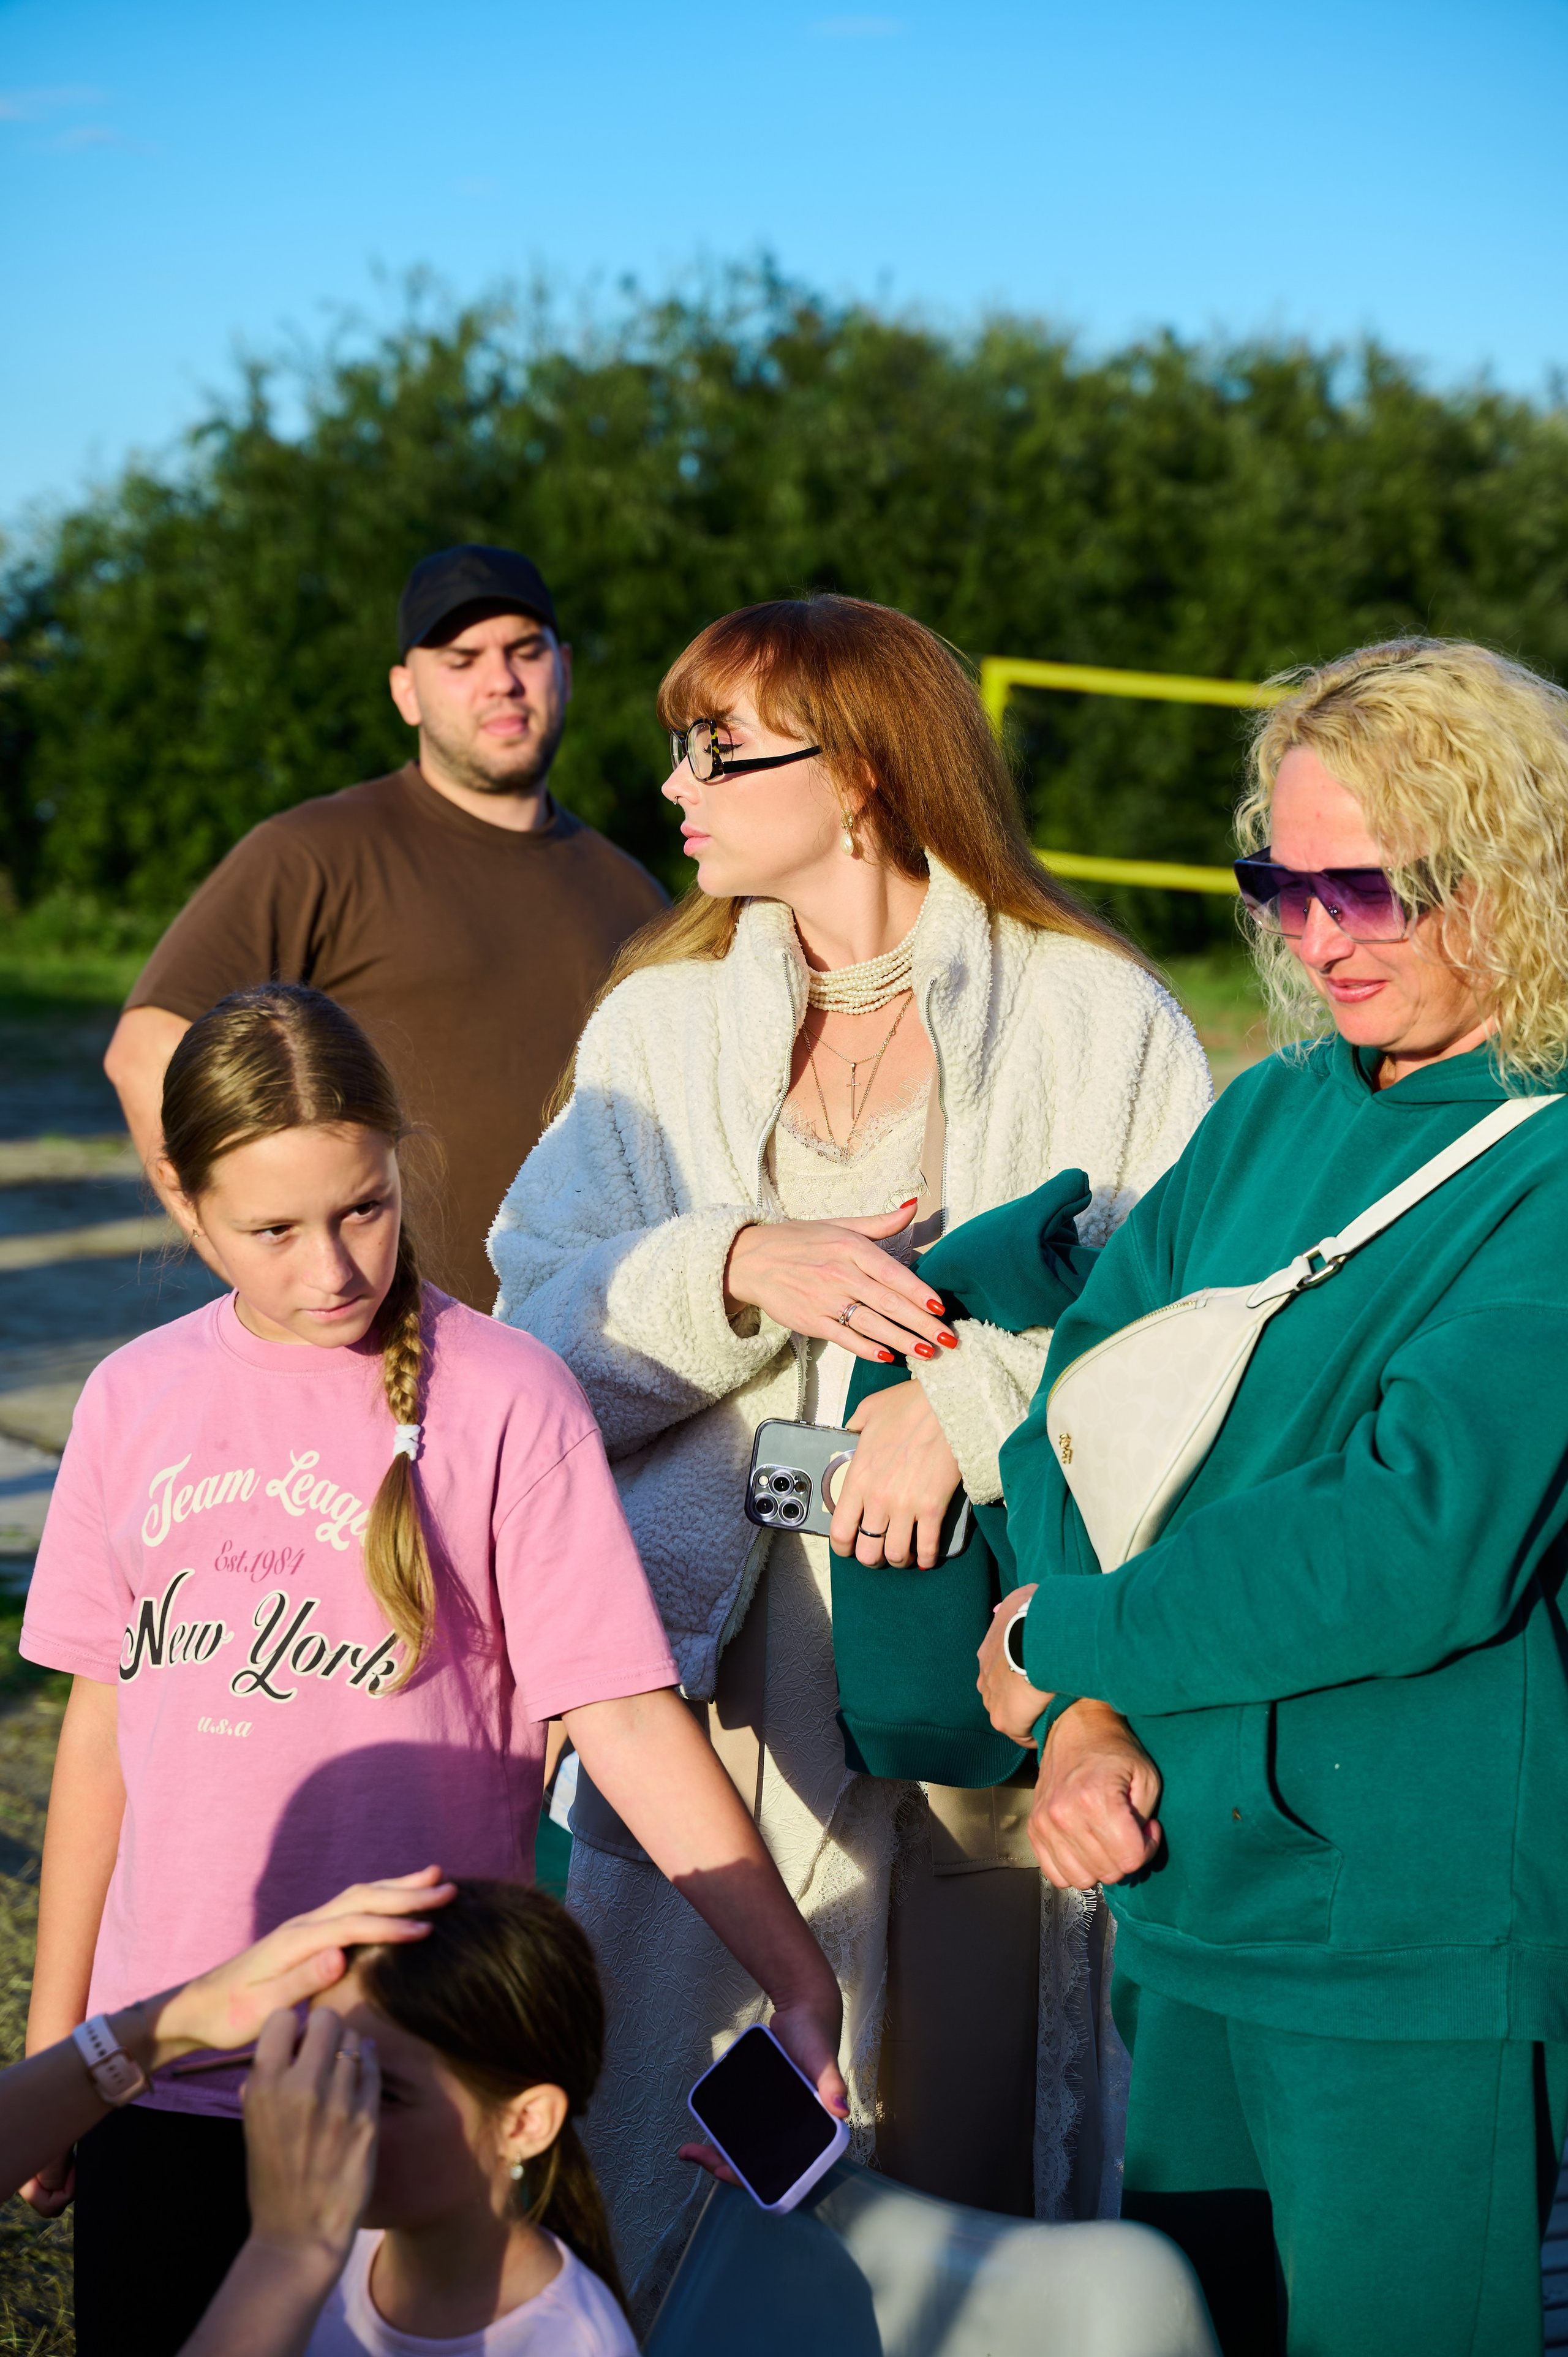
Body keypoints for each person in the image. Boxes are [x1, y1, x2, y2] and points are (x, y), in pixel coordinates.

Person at [489, 594, 1212, 2296]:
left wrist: (964, 1406)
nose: (675, 785)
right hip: (717, 1698)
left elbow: (1192, 1331)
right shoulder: (655, 1027)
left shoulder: (1096, 1015)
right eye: (678, 746)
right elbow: (528, 1338)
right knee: (690, 2163)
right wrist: (735, 1265)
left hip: (980, 1693)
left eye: (720, 750)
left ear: (866, 771)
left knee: (959, 2162)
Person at [20, 982, 843, 2357]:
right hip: (165, 2071)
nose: (332, 1268)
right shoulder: (130, 1398)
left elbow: (622, 1717)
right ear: (186, 1205)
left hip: (413, 2091)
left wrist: (797, 1978)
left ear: (401, 1160)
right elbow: (101, 1737)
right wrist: (63, 2057)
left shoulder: (508, 1396)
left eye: (363, 1207)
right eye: (272, 1231)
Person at [979, 638, 1568, 2357]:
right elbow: (1073, 1425)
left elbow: (1410, 1536)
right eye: (1280, 886)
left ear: (1517, 869)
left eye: (1368, 889)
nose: (1316, 937)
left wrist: (1072, 1637)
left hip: (1413, 1943)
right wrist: (1083, 1720)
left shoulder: (1547, 1155)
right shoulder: (1267, 1115)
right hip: (1190, 1896)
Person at [104, 544, 667, 1308]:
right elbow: (146, 1049)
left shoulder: (632, 892)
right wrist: (259, 1264)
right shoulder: (315, 852)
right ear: (406, 691)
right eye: (460, 659)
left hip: (593, 1341)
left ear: (563, 667)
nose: (501, 680)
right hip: (387, 1344)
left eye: (525, 651)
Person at [301, 1877, 635, 2356]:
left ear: (524, 2124)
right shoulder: (317, 2244)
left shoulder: (570, 2344)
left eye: (384, 2092)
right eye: (319, 2066)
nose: (327, 2111)